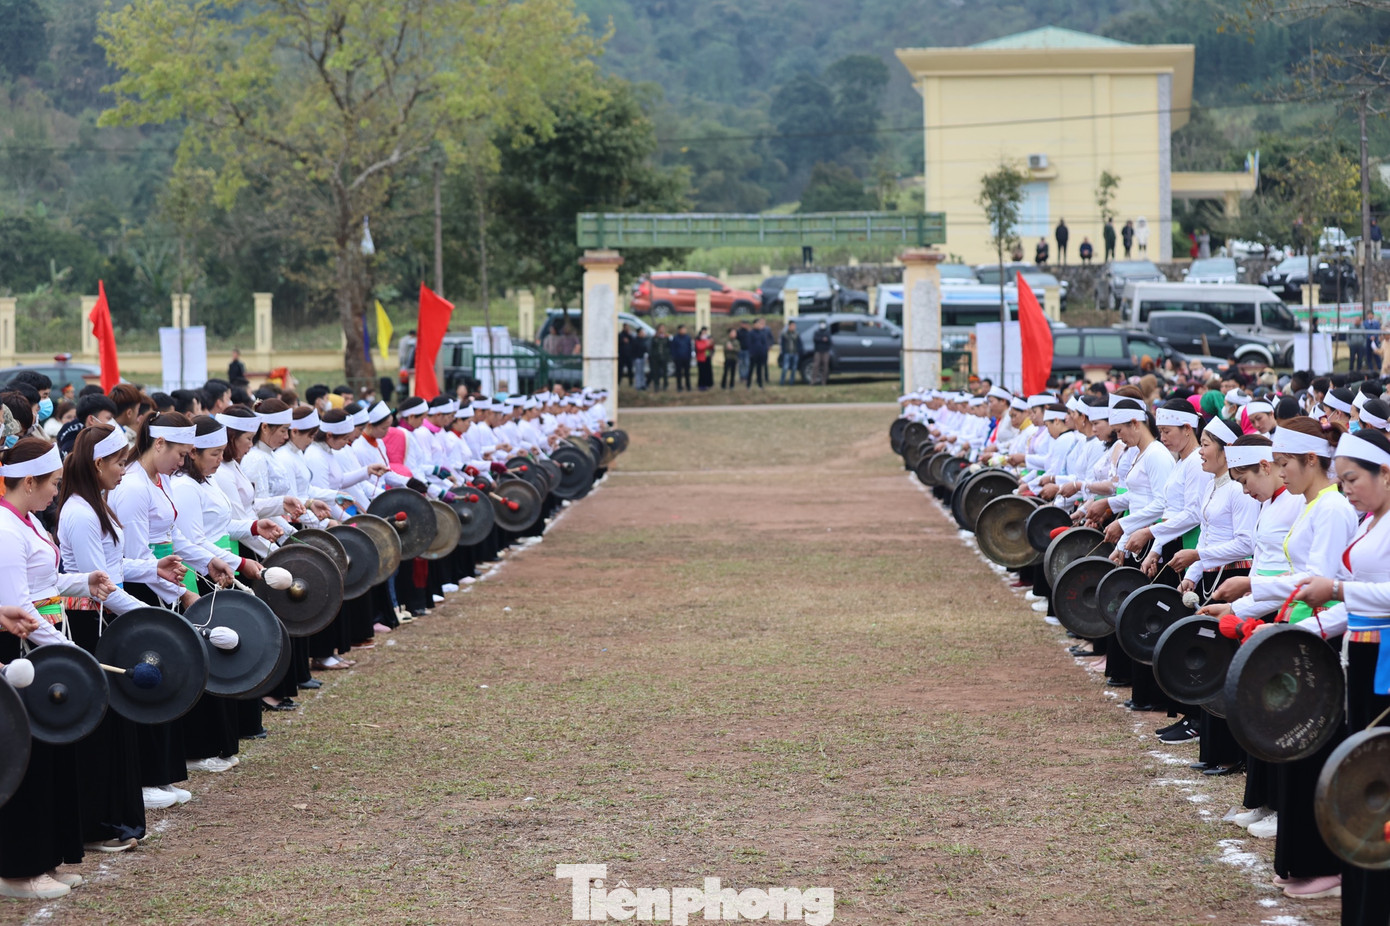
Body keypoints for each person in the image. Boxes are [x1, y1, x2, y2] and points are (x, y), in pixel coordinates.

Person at [747, 318, 771, 389]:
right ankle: (748, 384)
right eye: (757, 324)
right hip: (753, 355)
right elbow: (749, 344)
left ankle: (760, 384)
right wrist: (751, 353)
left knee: (759, 370)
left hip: (761, 354)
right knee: (751, 369)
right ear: (754, 325)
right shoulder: (751, 333)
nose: (759, 325)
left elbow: (764, 344)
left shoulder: (762, 333)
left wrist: (764, 352)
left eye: (759, 324)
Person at [648, 324, 671, 392]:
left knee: (664, 372)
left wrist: (668, 356)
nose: (662, 329)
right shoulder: (654, 338)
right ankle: (656, 385)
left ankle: (665, 385)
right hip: (656, 358)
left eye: (663, 328)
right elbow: (651, 348)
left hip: (664, 357)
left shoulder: (666, 337)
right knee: (656, 372)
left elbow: (669, 347)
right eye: (661, 328)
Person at [671, 324, 693, 392]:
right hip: (678, 359)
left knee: (687, 373)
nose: (684, 330)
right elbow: (673, 349)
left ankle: (688, 386)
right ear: (679, 330)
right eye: (683, 329)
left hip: (686, 358)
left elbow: (690, 348)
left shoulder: (687, 338)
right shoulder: (675, 338)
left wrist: (689, 356)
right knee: (678, 374)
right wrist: (674, 357)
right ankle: (679, 387)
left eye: (685, 329)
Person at [779, 320, 800, 386]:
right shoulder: (785, 334)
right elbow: (782, 344)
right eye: (792, 325)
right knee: (785, 368)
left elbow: (799, 344)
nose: (793, 327)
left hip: (795, 353)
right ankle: (782, 382)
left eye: (794, 326)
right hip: (787, 353)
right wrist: (783, 352)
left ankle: (791, 382)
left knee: (794, 368)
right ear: (789, 326)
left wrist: (799, 351)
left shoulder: (796, 334)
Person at [812, 320, 832, 385]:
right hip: (818, 351)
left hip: (825, 351)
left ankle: (824, 381)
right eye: (821, 323)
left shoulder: (827, 332)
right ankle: (813, 380)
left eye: (823, 323)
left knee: (825, 366)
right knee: (816, 365)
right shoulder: (817, 332)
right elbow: (815, 339)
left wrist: (823, 340)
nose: (822, 325)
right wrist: (822, 339)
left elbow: (829, 340)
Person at [694, 326, 714, 391]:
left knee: (708, 371)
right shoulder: (698, 339)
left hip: (707, 356)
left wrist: (711, 344)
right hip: (701, 358)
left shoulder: (708, 338)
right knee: (701, 372)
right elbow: (699, 348)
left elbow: (711, 348)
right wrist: (707, 344)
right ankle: (701, 385)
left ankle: (708, 383)